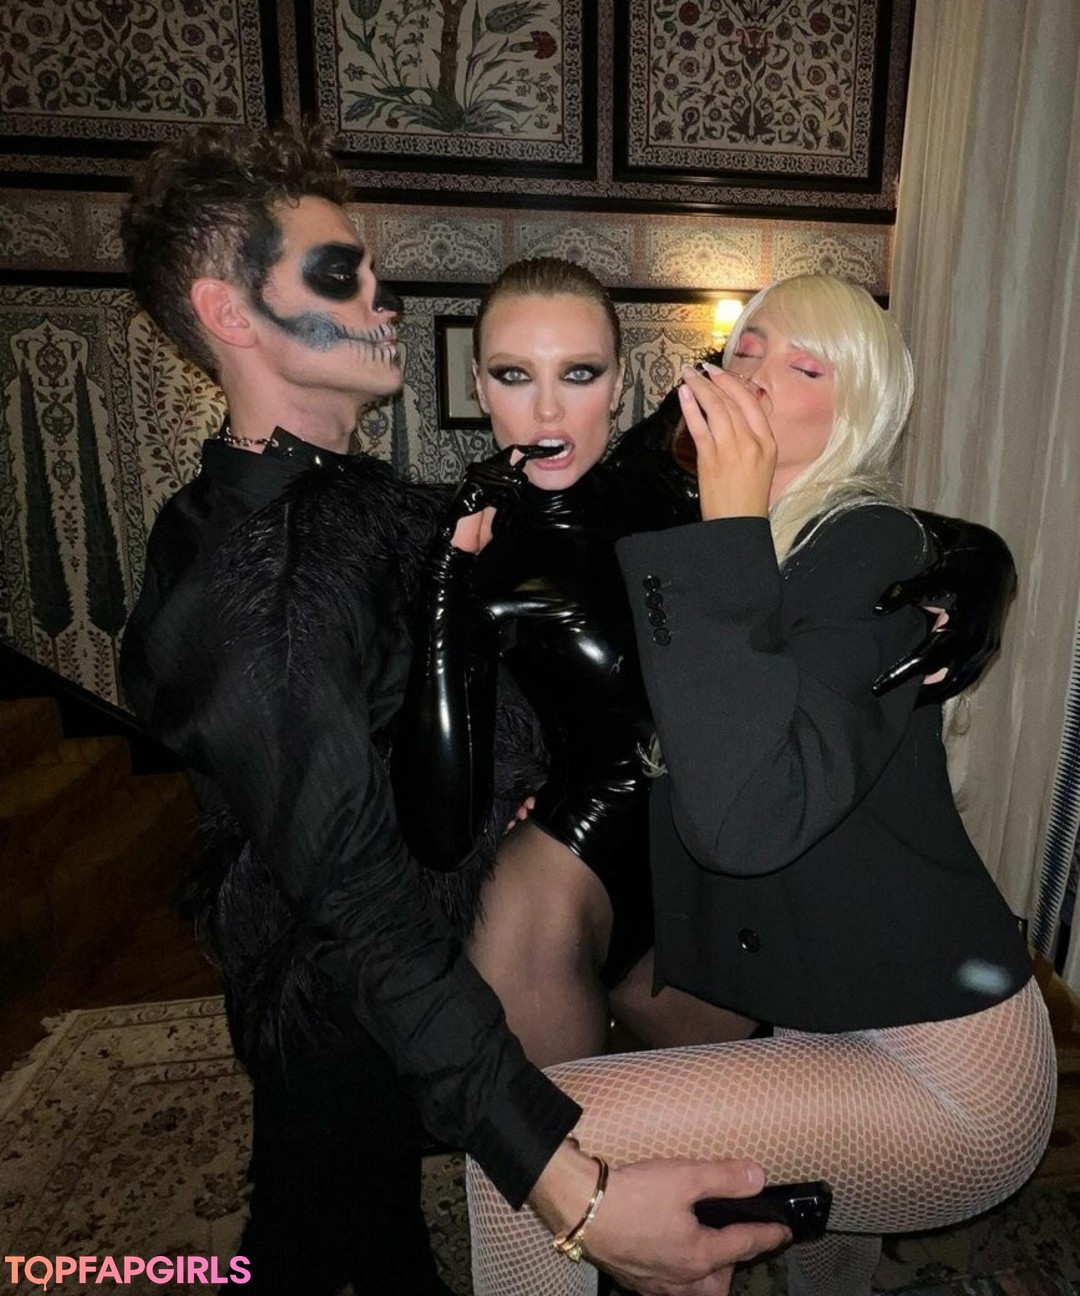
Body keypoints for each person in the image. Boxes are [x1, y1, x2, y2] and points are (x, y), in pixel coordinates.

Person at [117, 121, 791, 1296]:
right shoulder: (253, 590)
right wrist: (578, 1196)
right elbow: (360, 912)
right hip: (358, 1033)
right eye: (340, 273)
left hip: (431, 990)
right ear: (230, 312)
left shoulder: (351, 496)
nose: (381, 295)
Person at [462, 273, 1056, 1296]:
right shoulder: (754, 533)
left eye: (805, 365)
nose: (760, 375)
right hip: (829, 1011)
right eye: (746, 350)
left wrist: (735, 532)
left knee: (525, 1157)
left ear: (858, 410)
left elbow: (747, 819)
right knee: (824, 1255)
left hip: (949, 1072)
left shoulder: (863, 543)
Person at [393, 256, 1022, 1072]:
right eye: (514, 375)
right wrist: (445, 587)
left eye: (579, 374)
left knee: (756, 1114)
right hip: (594, 848)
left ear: (621, 383)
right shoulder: (470, 548)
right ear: (479, 384)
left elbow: (841, 510)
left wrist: (982, 565)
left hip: (712, 863)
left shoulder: (682, 477)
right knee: (567, 1116)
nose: (547, 409)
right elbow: (440, 830)